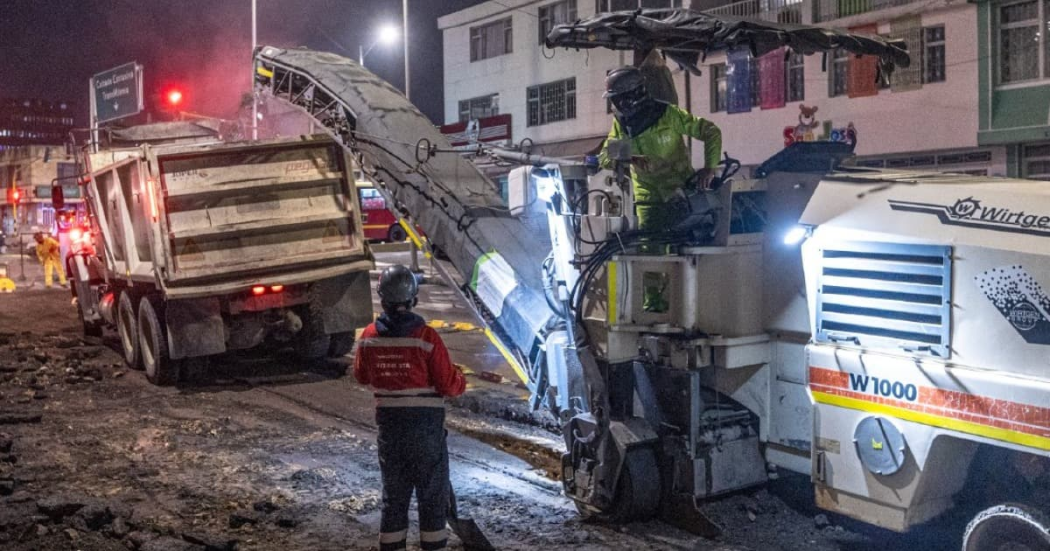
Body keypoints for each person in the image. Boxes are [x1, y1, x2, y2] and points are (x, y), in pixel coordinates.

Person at [353, 265, 466, 551]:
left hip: (390, 431)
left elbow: (362, 376)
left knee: (394, 498)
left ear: (383, 298)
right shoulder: (426, 337)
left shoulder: (368, 336)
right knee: (431, 497)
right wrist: (460, 379)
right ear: (413, 298)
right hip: (426, 430)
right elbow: (449, 385)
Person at [599, 65, 722, 312]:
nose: (616, 106)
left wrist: (710, 168)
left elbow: (710, 131)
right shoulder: (622, 126)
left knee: (686, 248)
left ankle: (693, 303)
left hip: (681, 196)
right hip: (649, 203)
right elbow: (605, 156)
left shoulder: (668, 115)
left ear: (633, 95)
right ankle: (655, 307)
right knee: (651, 253)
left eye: (618, 100)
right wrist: (629, 158)